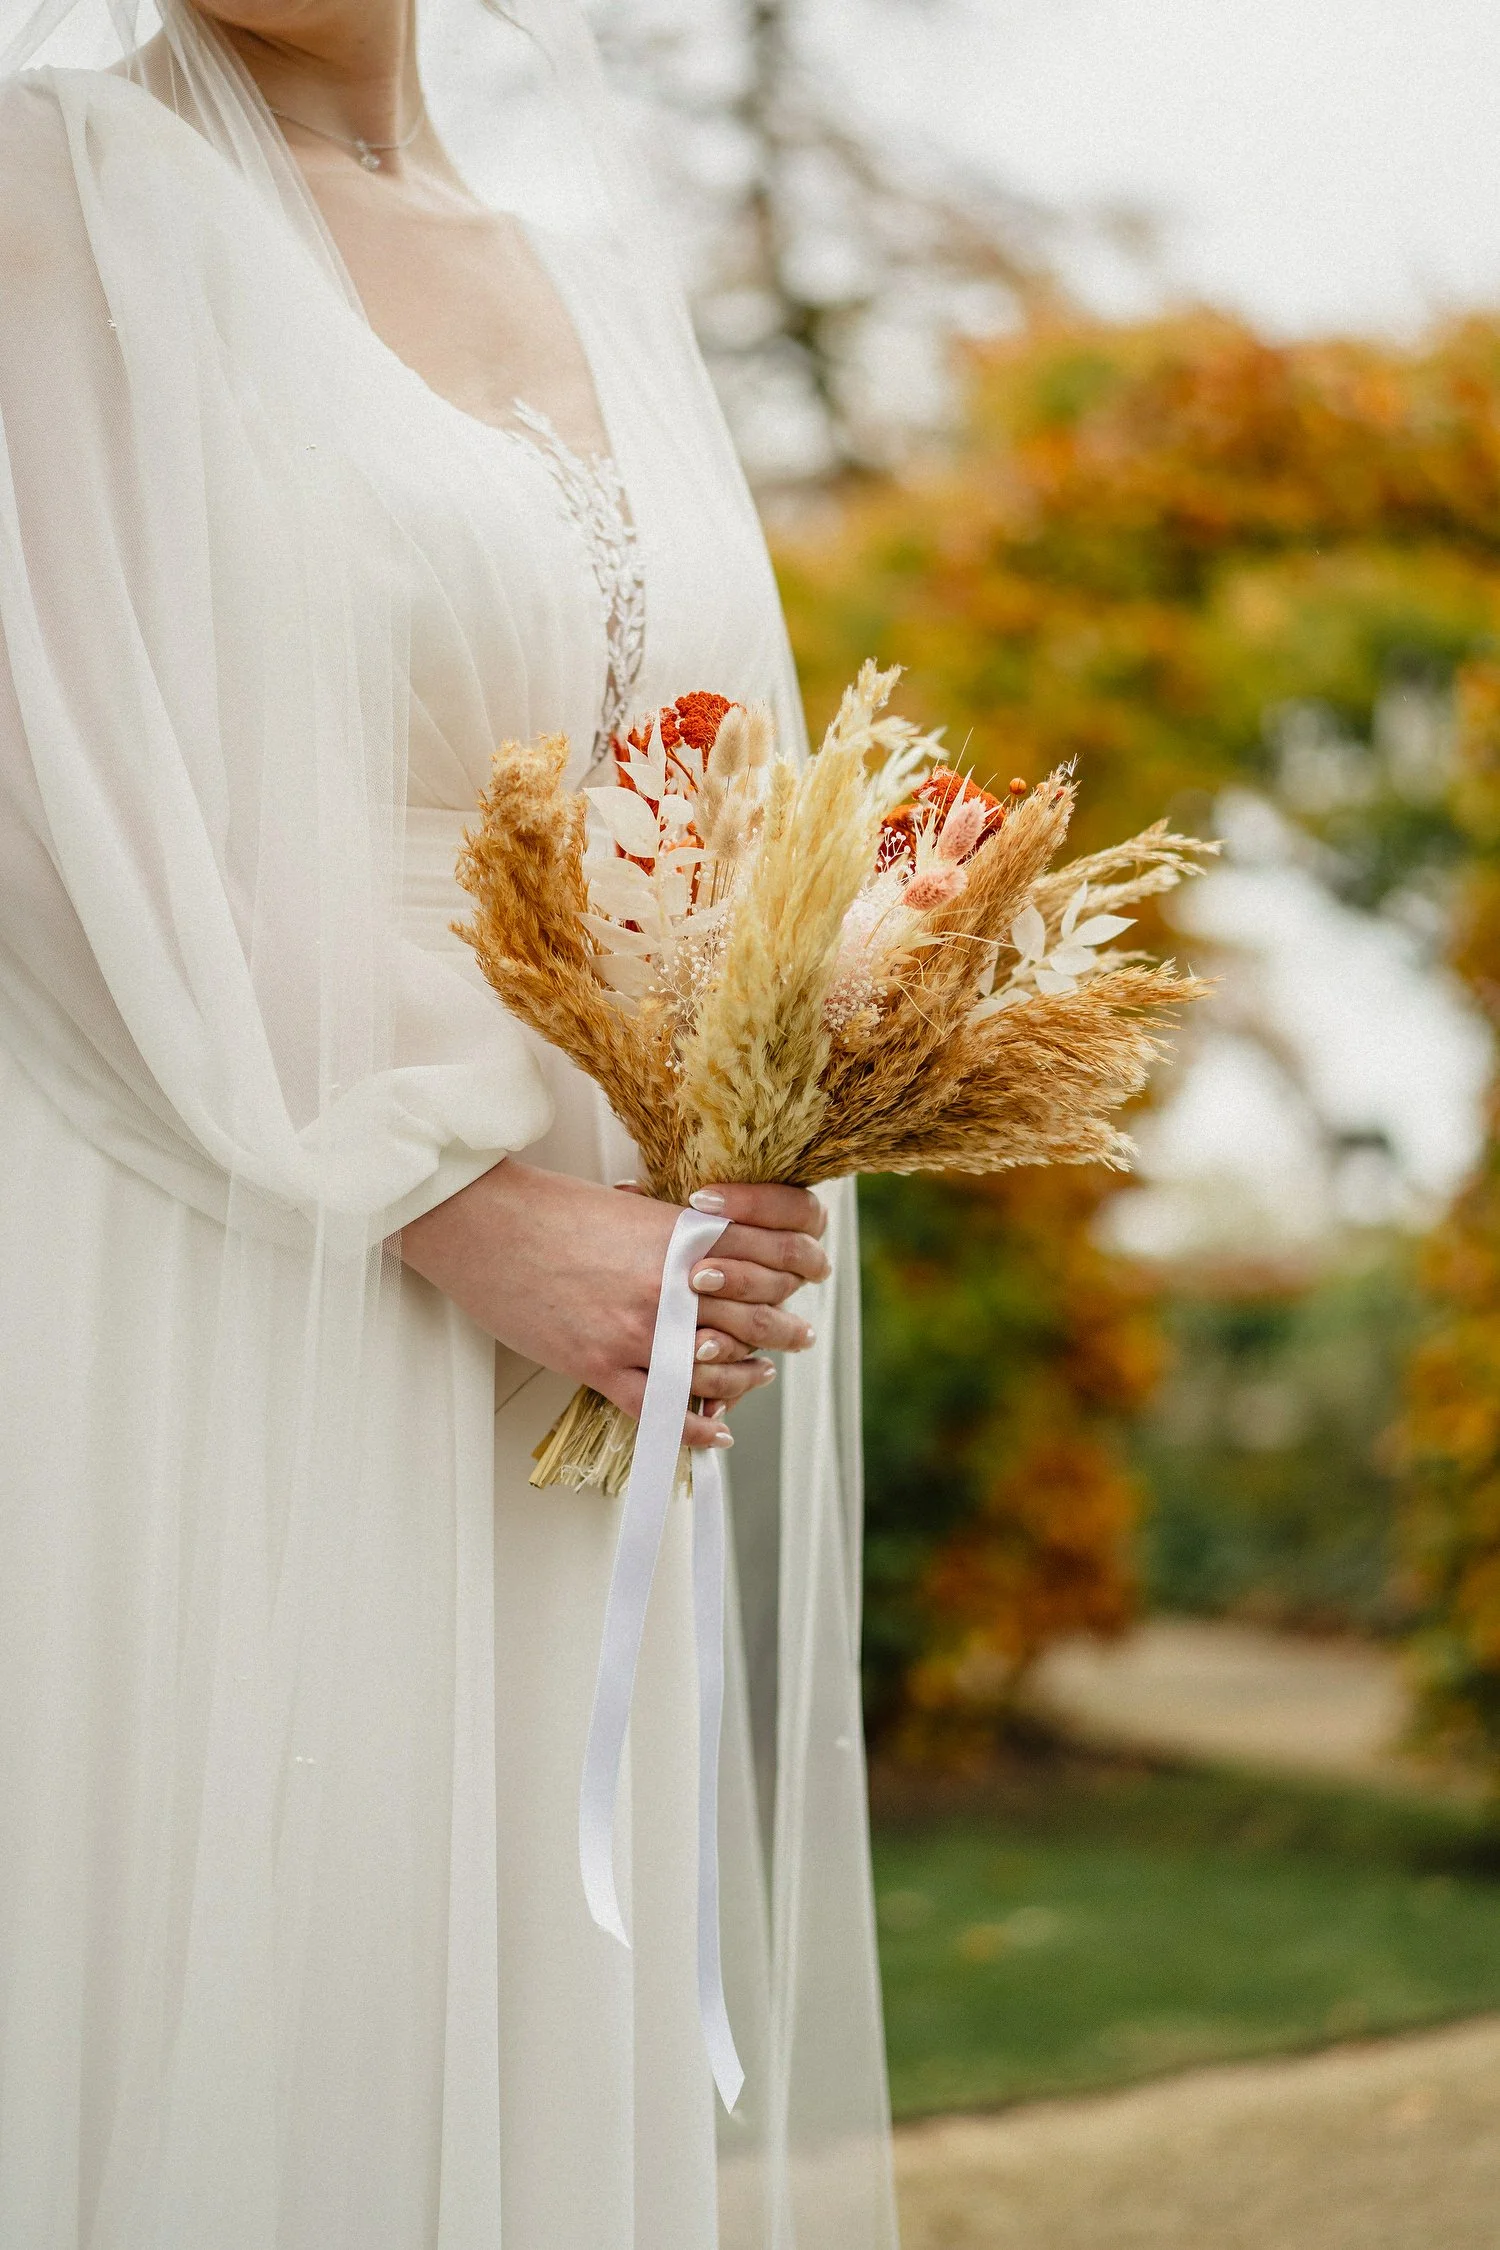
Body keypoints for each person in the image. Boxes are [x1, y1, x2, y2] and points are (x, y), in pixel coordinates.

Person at [0, 2, 896, 2245]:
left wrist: (739, 1155)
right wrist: (455, 1203)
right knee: (273, 1921)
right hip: (234, 1236)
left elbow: (710, 797)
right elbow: (66, 804)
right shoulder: (52, 198)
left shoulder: (587, 273)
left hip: (598, 1291)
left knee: (522, 1951)